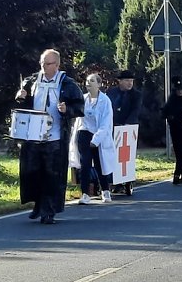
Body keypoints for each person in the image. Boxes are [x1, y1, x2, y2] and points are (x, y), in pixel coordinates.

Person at [15, 49, 85, 224]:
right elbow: (21, 101)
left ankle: (49, 210)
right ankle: (38, 205)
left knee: (52, 175)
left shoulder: (67, 84)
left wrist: (66, 109)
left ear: (57, 65)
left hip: (55, 137)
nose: (43, 67)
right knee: (33, 172)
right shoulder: (31, 82)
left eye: (47, 64)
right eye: (42, 63)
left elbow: (79, 107)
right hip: (33, 136)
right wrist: (20, 97)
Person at [72, 74, 115, 204]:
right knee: (85, 163)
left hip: (98, 135)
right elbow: (78, 116)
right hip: (84, 132)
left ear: (99, 84)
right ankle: (85, 193)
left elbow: (106, 123)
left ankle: (105, 190)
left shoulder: (105, 101)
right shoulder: (83, 99)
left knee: (99, 163)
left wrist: (95, 140)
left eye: (92, 81)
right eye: (87, 81)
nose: (88, 83)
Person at [106, 69, 142, 193]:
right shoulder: (111, 93)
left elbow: (135, 110)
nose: (129, 83)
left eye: (131, 81)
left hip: (128, 128)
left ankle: (127, 182)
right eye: (127, 80)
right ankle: (114, 182)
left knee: (126, 156)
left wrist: (127, 124)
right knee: (113, 156)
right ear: (119, 81)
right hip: (113, 127)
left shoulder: (136, 95)